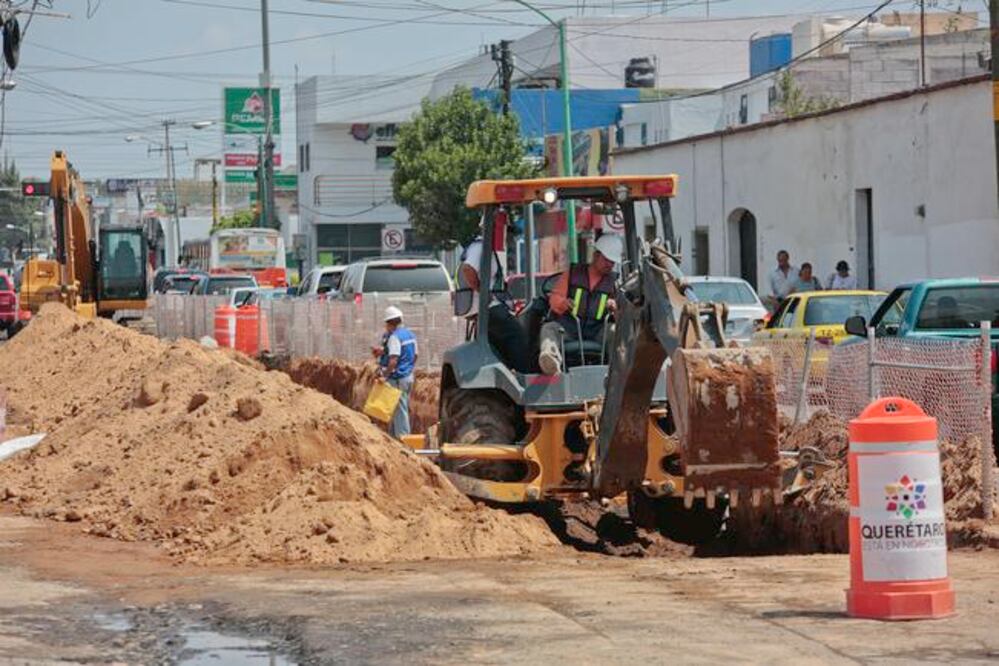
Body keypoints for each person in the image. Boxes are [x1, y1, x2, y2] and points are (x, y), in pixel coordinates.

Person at [538, 233, 622, 376]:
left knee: (614, 331)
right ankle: (550, 361)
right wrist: (564, 303)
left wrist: (615, 307)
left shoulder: (615, 283)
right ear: (595, 255)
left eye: (612, 262)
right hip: (569, 328)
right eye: (606, 260)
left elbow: (624, 313)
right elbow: (554, 299)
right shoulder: (572, 274)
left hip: (597, 331)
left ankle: (619, 368)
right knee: (549, 328)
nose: (609, 264)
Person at [460, 235, 530, 373]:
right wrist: (483, 292)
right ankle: (525, 375)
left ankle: (508, 373)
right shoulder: (480, 247)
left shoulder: (487, 248)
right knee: (517, 334)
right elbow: (467, 269)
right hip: (490, 308)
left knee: (497, 346)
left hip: (488, 310)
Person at [371, 306, 418, 438]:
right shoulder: (410, 335)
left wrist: (384, 376)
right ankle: (393, 438)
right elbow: (415, 355)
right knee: (397, 409)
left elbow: (393, 361)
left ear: (390, 323)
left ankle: (404, 440)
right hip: (408, 377)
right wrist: (408, 369)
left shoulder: (394, 337)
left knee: (400, 410)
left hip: (397, 378)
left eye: (387, 324)